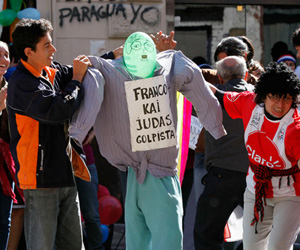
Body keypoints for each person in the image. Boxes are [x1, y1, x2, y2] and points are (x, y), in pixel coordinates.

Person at [72, 31, 226, 250]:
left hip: (139, 173)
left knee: (143, 241)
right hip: (154, 174)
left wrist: (77, 133)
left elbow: (92, 86)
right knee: (165, 241)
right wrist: (216, 128)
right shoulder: (162, 66)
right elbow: (201, 90)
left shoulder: (114, 70)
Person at [6, 18, 91, 249]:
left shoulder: (48, 72)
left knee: (74, 246)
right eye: (47, 45)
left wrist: (112, 57)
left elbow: (81, 69)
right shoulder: (22, 83)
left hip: (65, 175)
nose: (54, 50)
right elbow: (57, 110)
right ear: (28, 51)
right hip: (39, 181)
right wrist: (76, 81)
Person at [208, 62, 300, 250]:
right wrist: (187, 79)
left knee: (278, 247)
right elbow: (217, 95)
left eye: (287, 99)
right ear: (263, 96)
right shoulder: (249, 102)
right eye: (274, 97)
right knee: (252, 247)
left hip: (290, 195)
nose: (280, 105)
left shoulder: (296, 129)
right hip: (256, 189)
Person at [193, 56, 254, 250]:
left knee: (207, 235)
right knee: (261, 232)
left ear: (220, 78)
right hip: (254, 178)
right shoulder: (259, 98)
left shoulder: (212, 99)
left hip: (221, 178)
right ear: (246, 74)